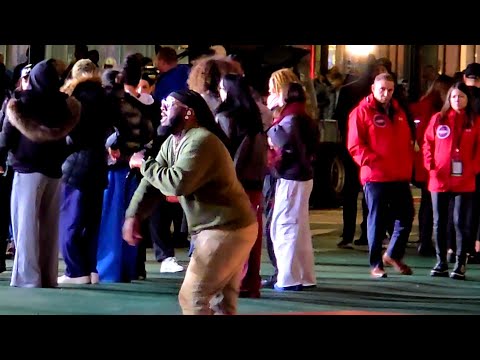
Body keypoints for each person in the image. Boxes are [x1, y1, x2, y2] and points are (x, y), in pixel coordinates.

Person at [124, 89, 257, 315]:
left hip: (226, 230)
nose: (162, 108)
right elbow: (151, 183)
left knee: (192, 297)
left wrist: (142, 163)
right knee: (221, 303)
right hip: (229, 228)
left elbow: (177, 183)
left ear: (188, 113)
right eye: (163, 103)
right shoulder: (172, 142)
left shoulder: (201, 140)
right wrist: (133, 215)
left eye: (170, 103)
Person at [347, 72, 415, 278]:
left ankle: (393, 253)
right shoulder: (361, 112)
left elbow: (406, 141)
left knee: (406, 216)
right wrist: (372, 161)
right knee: (376, 221)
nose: (386, 94)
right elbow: (355, 145)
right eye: (382, 89)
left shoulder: (399, 111)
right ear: (373, 89)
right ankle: (376, 263)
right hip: (375, 176)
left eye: (390, 90)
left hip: (399, 174)